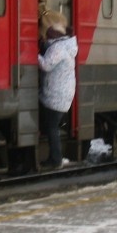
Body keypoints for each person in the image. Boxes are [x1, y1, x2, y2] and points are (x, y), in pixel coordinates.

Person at [37, 19, 77, 169]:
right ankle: (54, 158)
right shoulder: (66, 46)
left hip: (55, 96)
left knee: (51, 128)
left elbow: (46, 65)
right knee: (51, 126)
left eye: (48, 36)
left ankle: (56, 159)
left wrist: (34, 55)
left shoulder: (57, 48)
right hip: (62, 95)